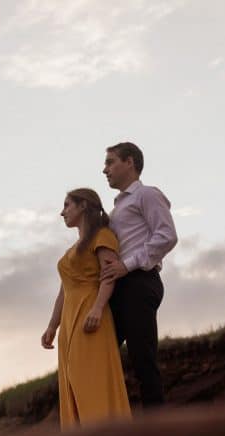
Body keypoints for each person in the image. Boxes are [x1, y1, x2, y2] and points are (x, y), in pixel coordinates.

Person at [41, 188, 131, 429]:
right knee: (72, 382)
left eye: (67, 205)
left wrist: (98, 309)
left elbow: (109, 275)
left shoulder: (102, 236)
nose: (62, 212)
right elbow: (64, 290)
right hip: (69, 321)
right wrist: (52, 325)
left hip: (89, 315)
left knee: (90, 380)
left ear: (83, 206)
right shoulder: (74, 249)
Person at [100, 142, 178, 408]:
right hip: (118, 288)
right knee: (101, 354)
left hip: (139, 283)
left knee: (142, 360)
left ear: (130, 162)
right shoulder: (115, 209)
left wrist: (128, 264)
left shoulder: (146, 195)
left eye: (110, 162)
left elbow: (167, 236)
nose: (104, 169)